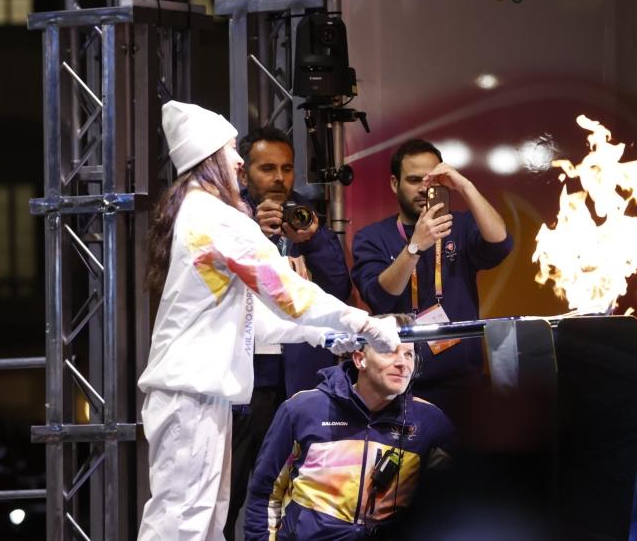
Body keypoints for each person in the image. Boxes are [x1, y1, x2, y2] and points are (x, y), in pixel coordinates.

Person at [136, 101, 399, 541]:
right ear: (208, 158)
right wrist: (362, 324)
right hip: (190, 393)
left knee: (203, 522)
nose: (238, 161)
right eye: (230, 151)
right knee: (182, 523)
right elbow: (288, 292)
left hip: (197, 394)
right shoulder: (215, 218)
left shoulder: (200, 213)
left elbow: (253, 318)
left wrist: (323, 335)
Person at [225, 127, 355, 540]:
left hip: (302, 380)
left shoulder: (305, 216)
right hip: (248, 383)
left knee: (304, 497)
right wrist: (254, 233)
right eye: (267, 169)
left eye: (286, 168)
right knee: (230, 495)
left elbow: (339, 289)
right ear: (244, 173)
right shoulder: (227, 218)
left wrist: (313, 240)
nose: (279, 178)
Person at [243, 314, 455, 540]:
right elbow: (264, 494)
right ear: (359, 359)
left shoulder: (431, 423)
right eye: (389, 351)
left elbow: (453, 504)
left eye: (409, 354)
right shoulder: (302, 410)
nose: (402, 363)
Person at [351, 139, 512, 408]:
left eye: (432, 180)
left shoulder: (458, 225)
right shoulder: (372, 237)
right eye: (414, 180)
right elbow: (379, 297)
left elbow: (501, 245)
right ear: (395, 184)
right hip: (398, 383)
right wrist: (415, 246)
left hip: (461, 383)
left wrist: (465, 186)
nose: (424, 188)